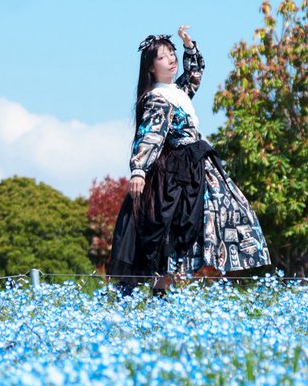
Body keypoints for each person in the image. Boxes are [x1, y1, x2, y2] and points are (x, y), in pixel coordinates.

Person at [108, 26, 270, 290]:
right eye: (163, 56)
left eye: (172, 54)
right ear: (151, 67)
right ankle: (165, 290)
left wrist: (187, 46)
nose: (171, 59)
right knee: (179, 228)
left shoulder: (178, 91)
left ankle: (223, 273)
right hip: (177, 173)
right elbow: (150, 134)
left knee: (229, 209)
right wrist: (139, 169)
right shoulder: (158, 98)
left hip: (197, 165)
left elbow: (194, 75)